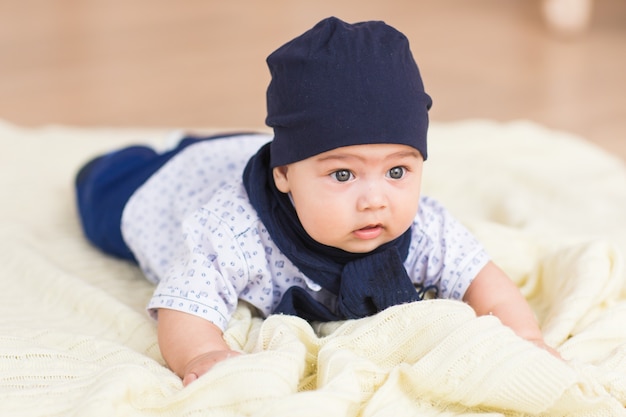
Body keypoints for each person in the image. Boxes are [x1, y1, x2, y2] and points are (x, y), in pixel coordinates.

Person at [75, 16, 558, 387]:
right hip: (170, 186)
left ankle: (208, 142)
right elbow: (187, 307)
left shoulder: (424, 228)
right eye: (343, 174)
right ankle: (156, 152)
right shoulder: (234, 229)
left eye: (397, 171)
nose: (375, 200)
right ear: (282, 175)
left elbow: (483, 280)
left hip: (259, 151)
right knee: (104, 192)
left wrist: (527, 338)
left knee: (260, 144)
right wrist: (202, 355)